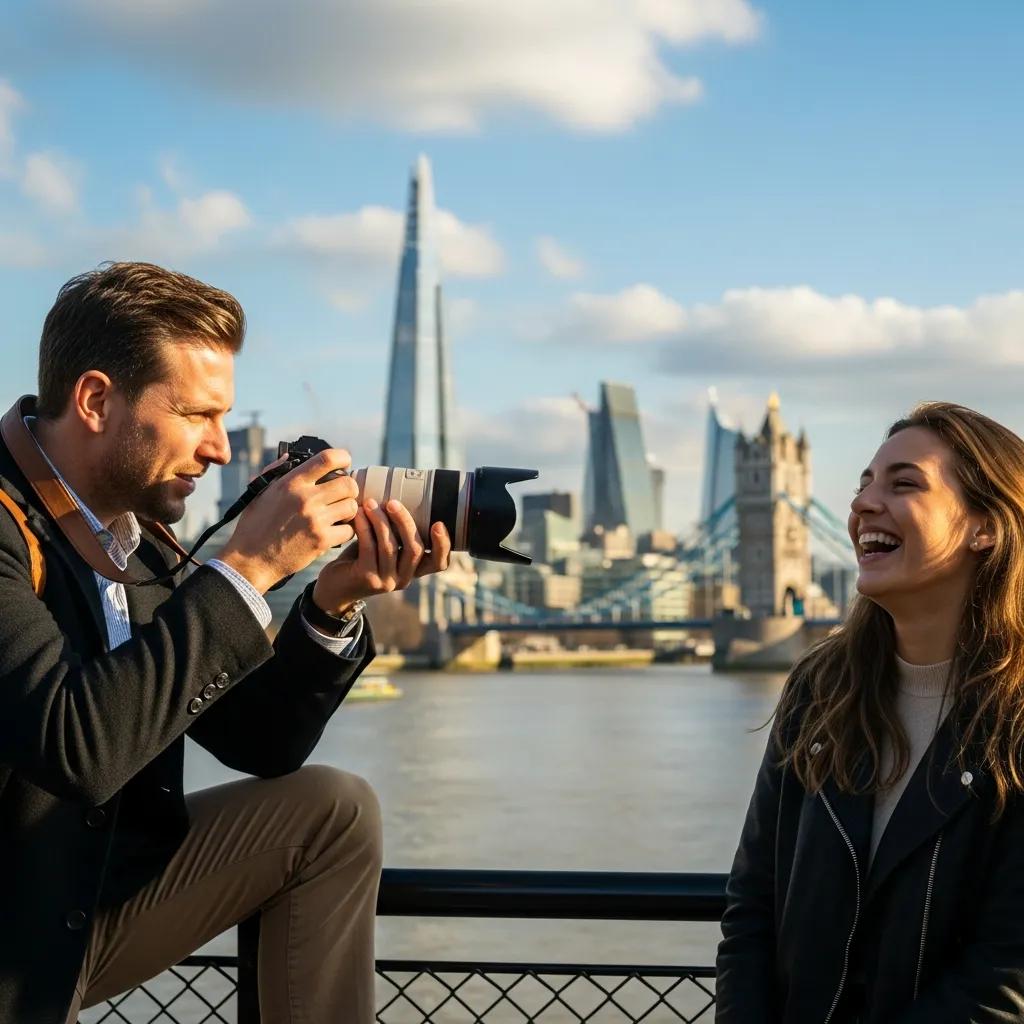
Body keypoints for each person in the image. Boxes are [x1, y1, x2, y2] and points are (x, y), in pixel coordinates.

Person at [0, 262, 453, 1024]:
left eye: (224, 418)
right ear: (96, 400)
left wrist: (333, 601)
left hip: (83, 908)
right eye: (197, 415)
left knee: (330, 810)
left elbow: (255, 743)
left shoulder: (134, 542)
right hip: (14, 941)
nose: (217, 448)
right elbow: (75, 745)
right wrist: (247, 565)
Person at [716, 402, 1024, 1022]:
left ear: (984, 527)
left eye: (903, 483)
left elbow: (1008, 970)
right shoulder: (820, 688)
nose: (861, 505)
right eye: (863, 484)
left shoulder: (1015, 715)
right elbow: (753, 905)